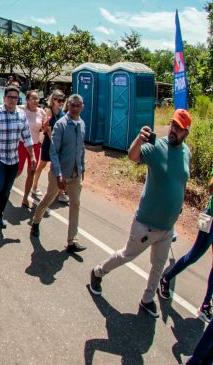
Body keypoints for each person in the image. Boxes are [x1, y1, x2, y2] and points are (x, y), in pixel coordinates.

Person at [90, 109, 192, 318]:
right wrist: (138, 139)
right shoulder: (157, 146)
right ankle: (98, 271)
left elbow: (182, 180)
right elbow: (133, 156)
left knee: (158, 265)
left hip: (167, 226)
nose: (173, 130)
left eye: (179, 128)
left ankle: (147, 299)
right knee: (127, 255)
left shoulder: (187, 153)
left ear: (185, 133)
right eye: (172, 125)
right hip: (146, 223)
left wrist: (179, 203)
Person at [29, 94, 87, 253]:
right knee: (48, 198)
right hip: (59, 173)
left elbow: (81, 149)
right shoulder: (61, 125)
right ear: (69, 106)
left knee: (75, 205)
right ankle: (36, 220)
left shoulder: (82, 124)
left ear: (82, 107)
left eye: (78, 105)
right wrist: (59, 175)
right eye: (72, 105)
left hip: (75, 174)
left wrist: (82, 167)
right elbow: (53, 151)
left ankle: (72, 241)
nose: (75, 108)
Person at [159, 171, 213, 322]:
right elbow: (211, 188)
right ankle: (166, 278)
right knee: (194, 255)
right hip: (210, 218)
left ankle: (206, 304)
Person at [0, 85, 35, 229]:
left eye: (15, 97)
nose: (12, 100)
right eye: (9, 97)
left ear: (18, 99)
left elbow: (27, 137)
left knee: (6, 190)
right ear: (4, 98)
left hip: (13, 159)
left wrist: (33, 156)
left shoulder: (21, 115)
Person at [28, 90, 65, 201]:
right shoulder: (48, 111)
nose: (60, 102)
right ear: (53, 100)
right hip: (49, 143)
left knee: (59, 167)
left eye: (62, 100)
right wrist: (53, 139)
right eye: (58, 100)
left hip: (58, 143)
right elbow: (46, 128)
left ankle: (60, 192)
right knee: (42, 165)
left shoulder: (62, 112)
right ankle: (34, 187)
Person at [18, 90, 47, 208]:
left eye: (37, 98)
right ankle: (4, 189)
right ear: (27, 100)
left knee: (32, 171)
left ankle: (25, 198)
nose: (36, 101)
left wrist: (46, 128)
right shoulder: (20, 109)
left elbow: (44, 128)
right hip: (21, 144)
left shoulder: (42, 112)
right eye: (33, 98)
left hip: (35, 146)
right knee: (17, 171)